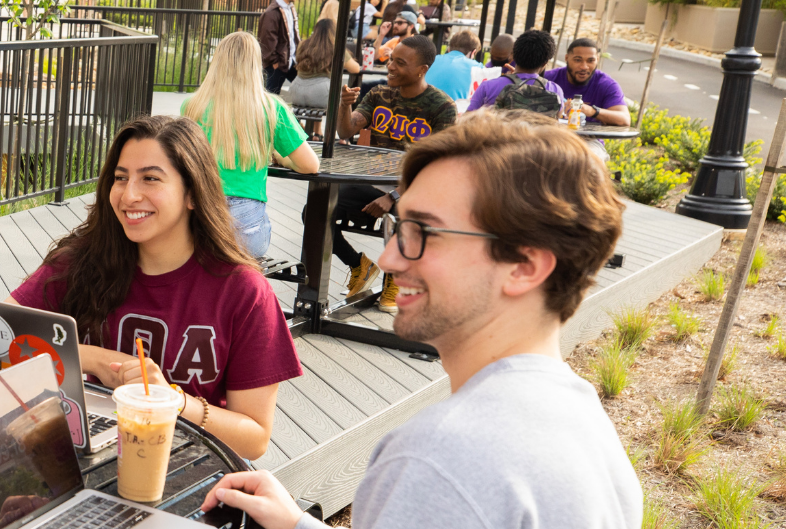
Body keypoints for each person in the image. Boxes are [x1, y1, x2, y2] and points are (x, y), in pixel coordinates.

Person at [198, 110, 640, 529]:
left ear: (524, 266)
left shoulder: (442, 458)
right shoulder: (582, 422)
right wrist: (296, 522)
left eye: (421, 234)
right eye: (399, 229)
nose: (389, 259)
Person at [10, 116, 302, 461]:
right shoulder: (79, 263)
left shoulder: (244, 292)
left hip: (187, 470)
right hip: (76, 460)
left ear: (192, 193)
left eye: (150, 178)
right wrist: (100, 360)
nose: (129, 195)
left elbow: (254, 439)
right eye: (121, 178)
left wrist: (174, 401)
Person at [334, 35, 457, 313]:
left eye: (400, 63)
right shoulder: (379, 94)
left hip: (416, 190)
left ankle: (395, 280)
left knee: (405, 216)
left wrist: (394, 195)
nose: (390, 66)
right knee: (316, 211)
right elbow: (346, 131)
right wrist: (345, 105)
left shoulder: (442, 107)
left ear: (422, 70)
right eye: (391, 60)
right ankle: (359, 266)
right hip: (373, 183)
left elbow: (437, 166)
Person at [183, 32, 321, 257]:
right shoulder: (271, 108)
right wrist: (283, 158)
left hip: (199, 222)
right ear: (255, 66)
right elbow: (310, 165)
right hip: (246, 229)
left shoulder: (191, 106)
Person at [468, 30, 565, 113]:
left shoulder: (488, 87)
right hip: (537, 135)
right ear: (545, 63)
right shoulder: (555, 90)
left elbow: (467, 119)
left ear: (513, 55)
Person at [545, 38, 632, 125]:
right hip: (552, 136)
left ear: (597, 60)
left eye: (590, 61)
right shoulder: (547, 79)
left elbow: (624, 120)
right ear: (567, 58)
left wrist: (590, 111)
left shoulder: (607, 84)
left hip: (590, 138)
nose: (584, 67)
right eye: (578, 60)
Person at [287, 18, 363, 109]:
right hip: (321, 92)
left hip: (296, 91)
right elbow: (355, 69)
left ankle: (304, 124)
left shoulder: (303, 44)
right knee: (343, 103)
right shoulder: (335, 47)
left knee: (314, 115)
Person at [256, 0, 305, 94]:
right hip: (278, 64)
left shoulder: (290, 9)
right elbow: (266, 40)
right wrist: (274, 63)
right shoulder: (272, 13)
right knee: (271, 98)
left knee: (304, 89)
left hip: (291, 62)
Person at [424, 30, 484, 102]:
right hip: (456, 110)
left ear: (449, 49)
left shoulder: (432, 60)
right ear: (473, 52)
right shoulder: (478, 68)